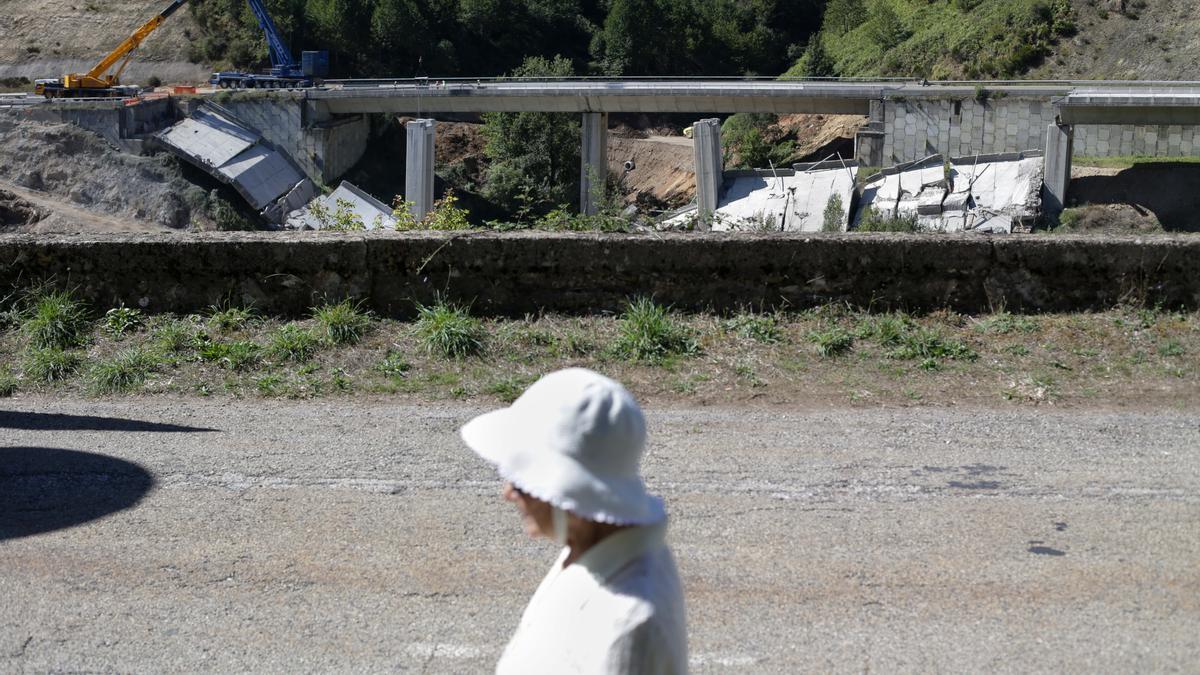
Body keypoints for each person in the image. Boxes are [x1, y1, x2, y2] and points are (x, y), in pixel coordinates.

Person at [460, 368, 688, 674]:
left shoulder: (628, 628)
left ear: (573, 500)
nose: (508, 493)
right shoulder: (591, 544)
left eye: (523, 481)